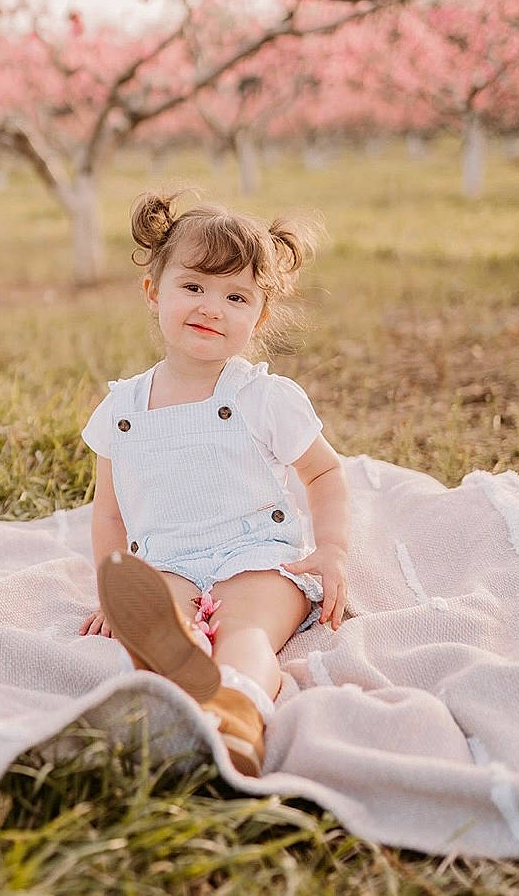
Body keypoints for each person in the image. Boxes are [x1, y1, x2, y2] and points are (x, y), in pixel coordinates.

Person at [78, 190, 349, 777]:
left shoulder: (263, 397)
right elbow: (110, 513)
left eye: (236, 296)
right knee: (160, 626)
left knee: (246, 627)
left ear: (260, 317)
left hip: (255, 556)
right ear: (154, 292)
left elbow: (324, 472)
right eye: (194, 287)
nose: (212, 308)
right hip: (168, 561)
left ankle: (237, 714)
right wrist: (111, 584)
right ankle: (180, 679)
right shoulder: (122, 408)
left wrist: (331, 550)